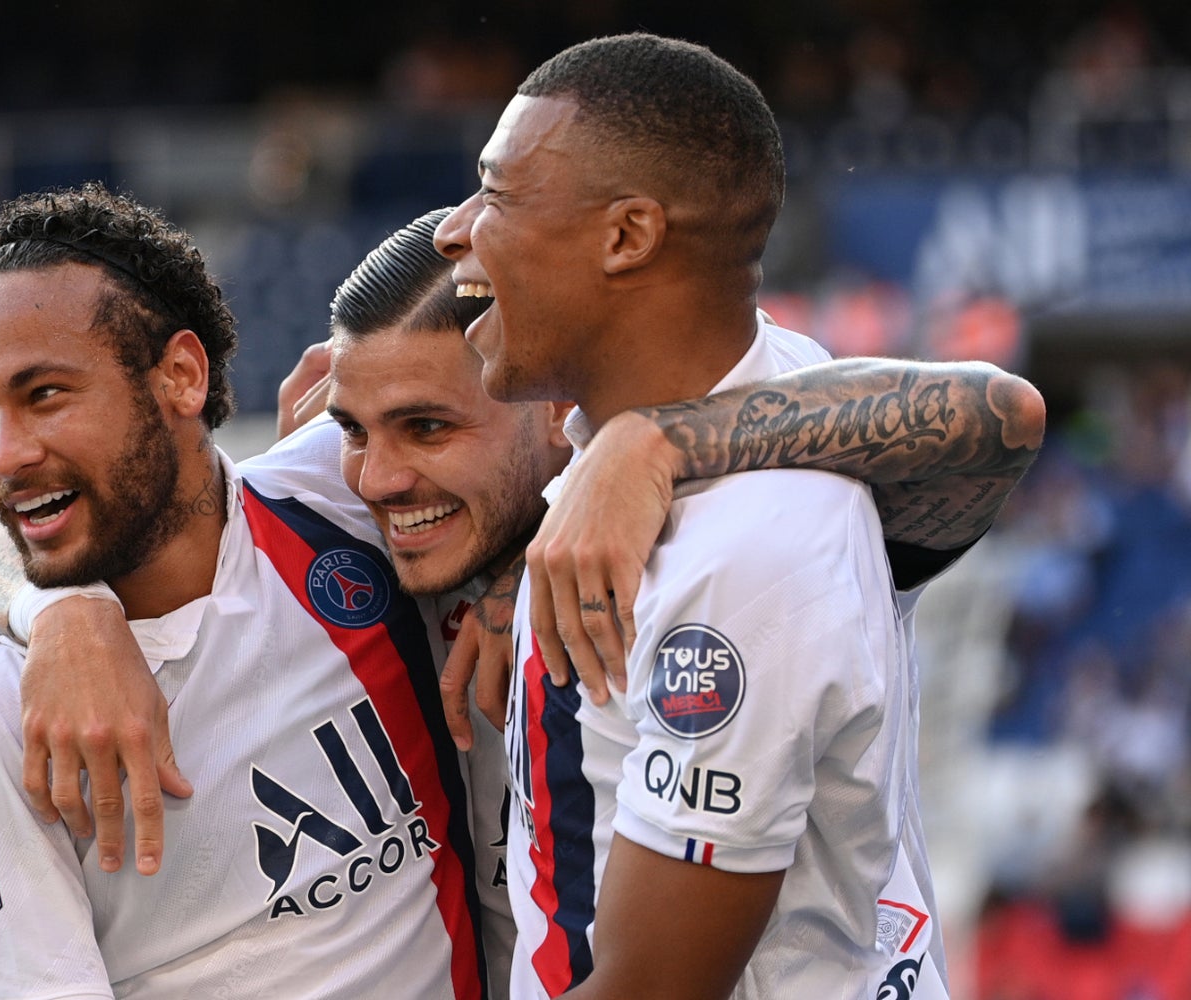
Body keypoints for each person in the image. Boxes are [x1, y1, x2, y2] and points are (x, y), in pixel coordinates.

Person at [434, 33, 1044, 999]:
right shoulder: (773, 384)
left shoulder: (747, 560)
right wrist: (642, 444)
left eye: (497, 193)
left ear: (627, 236)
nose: (455, 228)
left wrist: (657, 444)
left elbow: (653, 987)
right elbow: (993, 412)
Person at [0, 186, 490, 998]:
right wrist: (59, 608)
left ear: (180, 375)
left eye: (46, 395)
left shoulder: (346, 487)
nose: (3, 455)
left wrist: (578, 507)